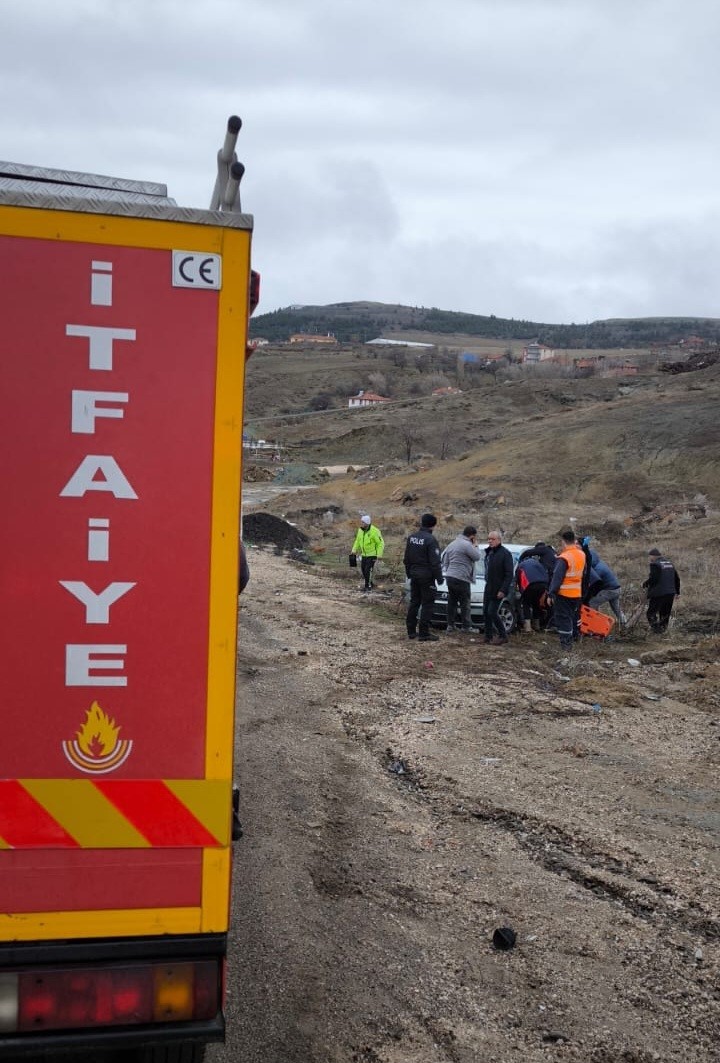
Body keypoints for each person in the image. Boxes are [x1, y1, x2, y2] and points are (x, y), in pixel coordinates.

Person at [404, 513, 443, 642]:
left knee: (414, 602)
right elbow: (435, 562)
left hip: (414, 574)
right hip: (426, 577)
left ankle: (411, 631)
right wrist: (439, 578)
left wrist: (409, 573)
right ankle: (424, 633)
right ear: (433, 525)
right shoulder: (431, 540)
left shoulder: (412, 538)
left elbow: (406, 559)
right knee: (427, 604)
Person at [546, 529, 587, 649]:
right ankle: (571, 641)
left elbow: (557, 577)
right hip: (576, 593)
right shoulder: (581, 554)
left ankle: (566, 646)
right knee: (571, 618)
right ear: (574, 541)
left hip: (563, 594)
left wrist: (551, 594)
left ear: (563, 542)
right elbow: (582, 573)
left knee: (563, 619)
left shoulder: (564, 557)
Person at [442, 525, 482, 632]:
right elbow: (477, 557)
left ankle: (450, 625)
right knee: (465, 603)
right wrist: (476, 545)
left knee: (452, 602)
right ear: (472, 536)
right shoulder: (467, 545)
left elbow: (445, 561)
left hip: (450, 576)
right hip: (462, 577)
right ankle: (466, 626)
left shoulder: (452, 544)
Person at [483, 530, 514, 645]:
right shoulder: (490, 553)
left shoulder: (505, 554)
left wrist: (503, 589)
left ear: (499, 540)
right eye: (488, 539)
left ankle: (503, 635)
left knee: (492, 611)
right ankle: (488, 636)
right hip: (489, 587)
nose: (490, 541)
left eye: (492, 539)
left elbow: (509, 574)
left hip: (499, 589)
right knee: (485, 612)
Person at [643, 548, 680, 633]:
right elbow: (677, 578)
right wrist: (677, 592)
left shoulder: (655, 564)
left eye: (650, 557)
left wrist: (646, 584)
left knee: (651, 613)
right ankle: (663, 630)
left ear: (653, 556)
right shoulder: (669, 563)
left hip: (659, 593)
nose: (650, 559)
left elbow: (654, 579)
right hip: (670, 593)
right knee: (665, 614)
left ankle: (656, 630)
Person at [586, 548, 627, 624]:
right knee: (616, 608)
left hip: (610, 590)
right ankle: (624, 622)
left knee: (592, 603)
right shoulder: (599, 563)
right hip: (616, 589)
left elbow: (594, 585)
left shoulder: (596, 570)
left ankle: (595, 623)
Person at [515, 554, 549, 632]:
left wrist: (521, 591)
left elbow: (517, 579)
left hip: (530, 585)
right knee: (536, 603)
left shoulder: (521, 565)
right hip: (542, 585)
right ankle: (537, 625)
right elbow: (545, 573)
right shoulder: (537, 563)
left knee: (526, 603)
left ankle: (528, 627)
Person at [351, 515, 384, 593]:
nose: (361, 523)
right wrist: (354, 550)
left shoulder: (375, 531)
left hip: (372, 554)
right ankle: (370, 583)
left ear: (367, 523)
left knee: (368, 570)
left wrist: (379, 555)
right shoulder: (360, 530)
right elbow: (357, 540)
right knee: (363, 569)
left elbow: (380, 543)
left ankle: (367, 587)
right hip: (364, 554)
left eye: (363, 522)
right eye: (361, 521)